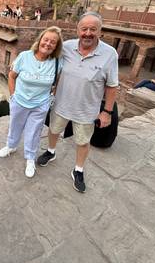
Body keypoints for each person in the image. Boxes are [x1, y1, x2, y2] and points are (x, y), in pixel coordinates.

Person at [37, 12, 119, 193]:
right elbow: (45, 54)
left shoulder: (109, 54)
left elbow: (112, 86)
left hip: (87, 109)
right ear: (77, 30)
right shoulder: (66, 47)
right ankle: (51, 151)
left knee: (82, 141)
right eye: (84, 29)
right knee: (53, 130)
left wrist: (107, 112)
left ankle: (78, 170)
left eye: (93, 29)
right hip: (61, 103)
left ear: (100, 31)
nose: (88, 33)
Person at [0, 26, 63, 178]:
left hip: (40, 104)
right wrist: (13, 96)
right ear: (40, 40)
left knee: (34, 132)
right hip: (19, 100)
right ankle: (11, 146)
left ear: (56, 46)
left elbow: (56, 82)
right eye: (46, 40)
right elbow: (12, 76)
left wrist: (50, 97)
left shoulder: (57, 63)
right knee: (15, 125)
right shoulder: (24, 56)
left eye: (53, 42)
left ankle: (30, 158)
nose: (48, 44)